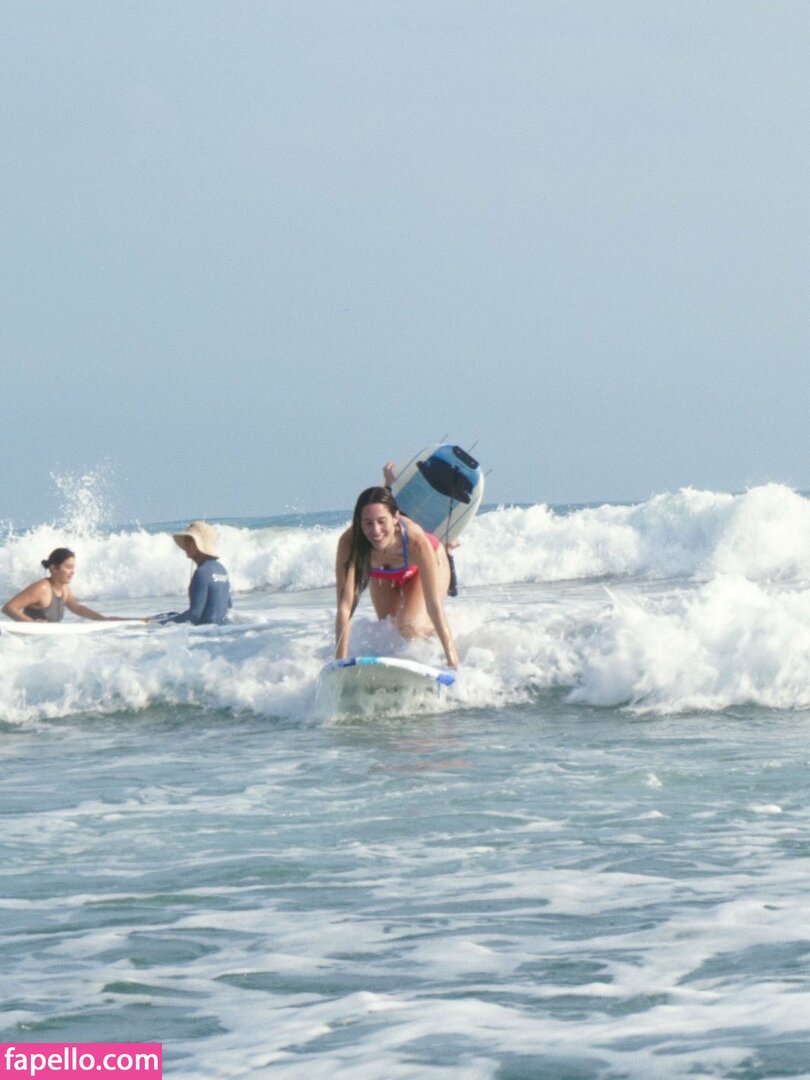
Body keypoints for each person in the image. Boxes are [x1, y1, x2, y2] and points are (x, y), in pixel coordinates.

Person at [335, 486, 460, 668]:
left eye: (381, 521)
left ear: (395, 518)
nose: (375, 530)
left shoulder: (416, 542)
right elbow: (345, 606)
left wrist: (453, 660)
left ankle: (444, 641)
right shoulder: (349, 543)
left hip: (426, 563)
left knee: (410, 628)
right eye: (367, 523)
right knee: (390, 630)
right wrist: (340, 662)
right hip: (384, 575)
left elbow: (434, 606)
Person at [2, 548, 139, 623]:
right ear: (54, 568)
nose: (72, 572)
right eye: (68, 567)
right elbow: (9, 608)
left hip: (48, 642)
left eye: (73, 567)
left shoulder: (65, 589)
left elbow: (78, 608)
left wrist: (103, 619)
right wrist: (32, 624)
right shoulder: (41, 588)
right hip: (30, 643)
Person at [161, 521, 231, 625]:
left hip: (205, 633)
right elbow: (229, 606)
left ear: (200, 544)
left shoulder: (201, 573)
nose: (185, 543)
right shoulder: (222, 569)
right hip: (222, 631)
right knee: (170, 614)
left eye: (190, 540)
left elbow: (194, 615)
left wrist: (159, 623)